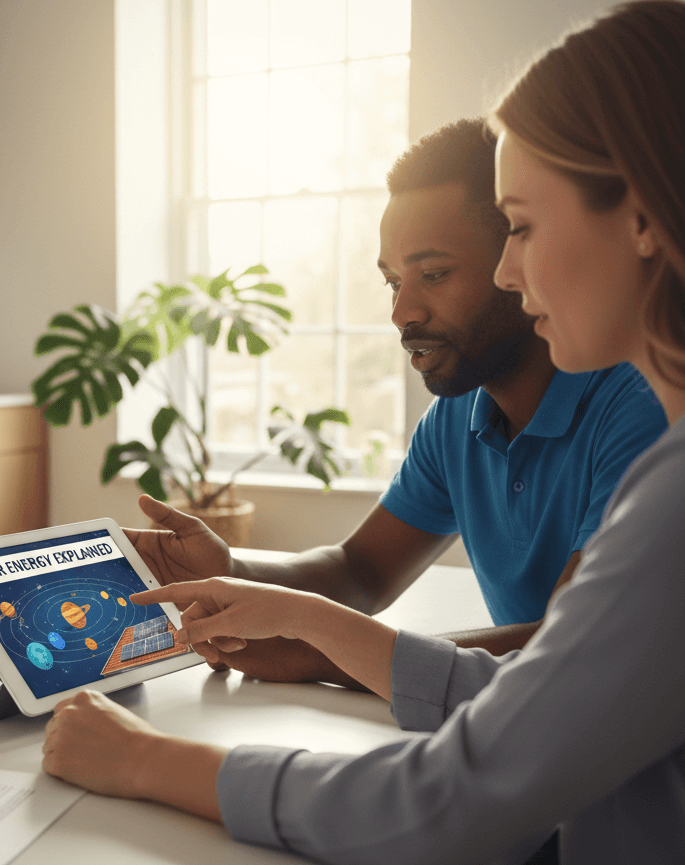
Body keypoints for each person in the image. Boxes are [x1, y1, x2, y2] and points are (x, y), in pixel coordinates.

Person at [42, 0, 685, 865]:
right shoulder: (480, 426)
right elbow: (547, 695)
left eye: (521, 226)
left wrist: (145, 762)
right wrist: (293, 612)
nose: (510, 273)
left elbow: (450, 798)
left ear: (638, 214)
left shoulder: (665, 481)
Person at [124, 119, 665, 687]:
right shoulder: (457, 418)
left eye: (434, 273)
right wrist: (230, 572)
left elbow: (569, 649)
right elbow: (361, 570)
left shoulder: (641, 407)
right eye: (391, 283)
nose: (402, 312)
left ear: (521, 260)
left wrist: (325, 654)